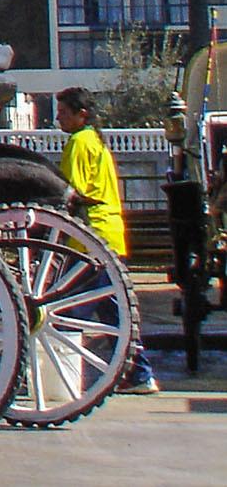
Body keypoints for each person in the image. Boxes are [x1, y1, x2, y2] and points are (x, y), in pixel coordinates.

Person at [57, 86, 159, 394]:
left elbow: (70, 193)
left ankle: (61, 375)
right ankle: (138, 373)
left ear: (81, 115)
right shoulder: (97, 142)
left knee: (67, 310)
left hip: (90, 239)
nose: (58, 118)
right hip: (109, 234)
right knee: (114, 310)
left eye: (63, 113)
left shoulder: (78, 143)